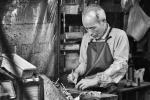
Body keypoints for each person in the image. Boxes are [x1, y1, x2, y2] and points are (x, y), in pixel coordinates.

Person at [67, 4, 129, 91]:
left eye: (92, 28)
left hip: (110, 88)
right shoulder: (86, 38)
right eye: (86, 29)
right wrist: (76, 73)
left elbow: (119, 64)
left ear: (103, 21)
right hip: (87, 87)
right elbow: (84, 63)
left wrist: (97, 80)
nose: (90, 33)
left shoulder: (119, 35)